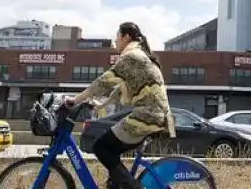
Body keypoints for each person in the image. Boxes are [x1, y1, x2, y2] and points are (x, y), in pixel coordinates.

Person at [65, 22, 174, 189]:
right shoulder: (140, 55)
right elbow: (120, 88)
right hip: (155, 115)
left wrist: (76, 99)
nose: (116, 41)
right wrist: (101, 104)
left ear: (126, 37)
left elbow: (105, 81)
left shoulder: (132, 56)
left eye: (117, 36)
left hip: (147, 116)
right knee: (112, 152)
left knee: (101, 147)